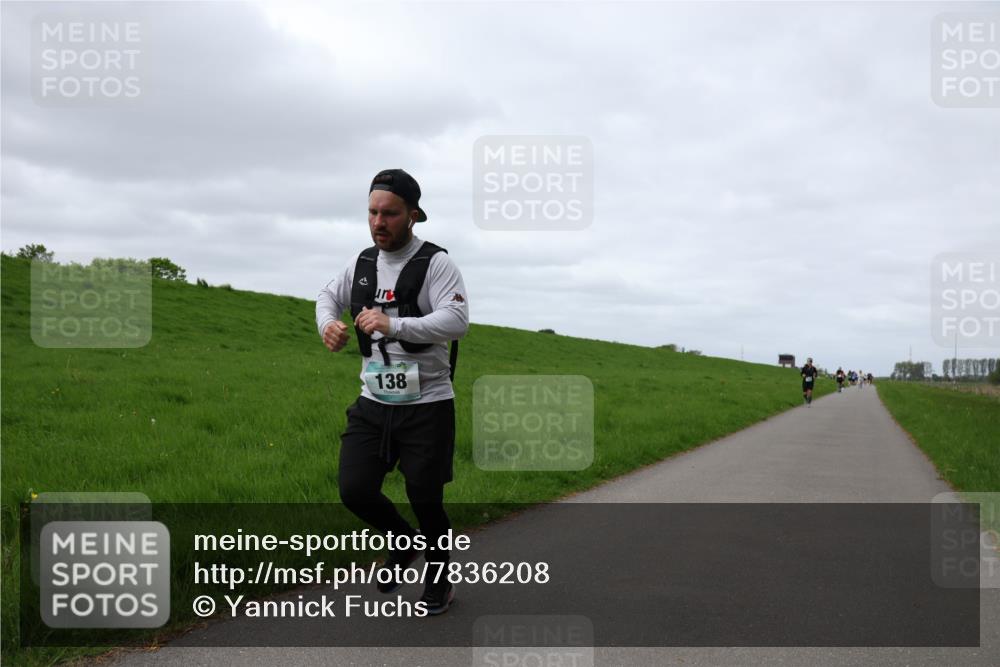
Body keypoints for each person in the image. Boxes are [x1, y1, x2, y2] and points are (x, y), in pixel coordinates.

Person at [316, 168, 469, 615]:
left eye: (390, 213)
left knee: (427, 500)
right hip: (373, 402)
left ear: (414, 215)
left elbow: (457, 321)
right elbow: (327, 295)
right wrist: (328, 324)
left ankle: (439, 580)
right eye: (372, 212)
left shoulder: (436, 263)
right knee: (354, 489)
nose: (379, 222)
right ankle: (402, 544)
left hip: (428, 406)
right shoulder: (362, 263)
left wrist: (393, 323)